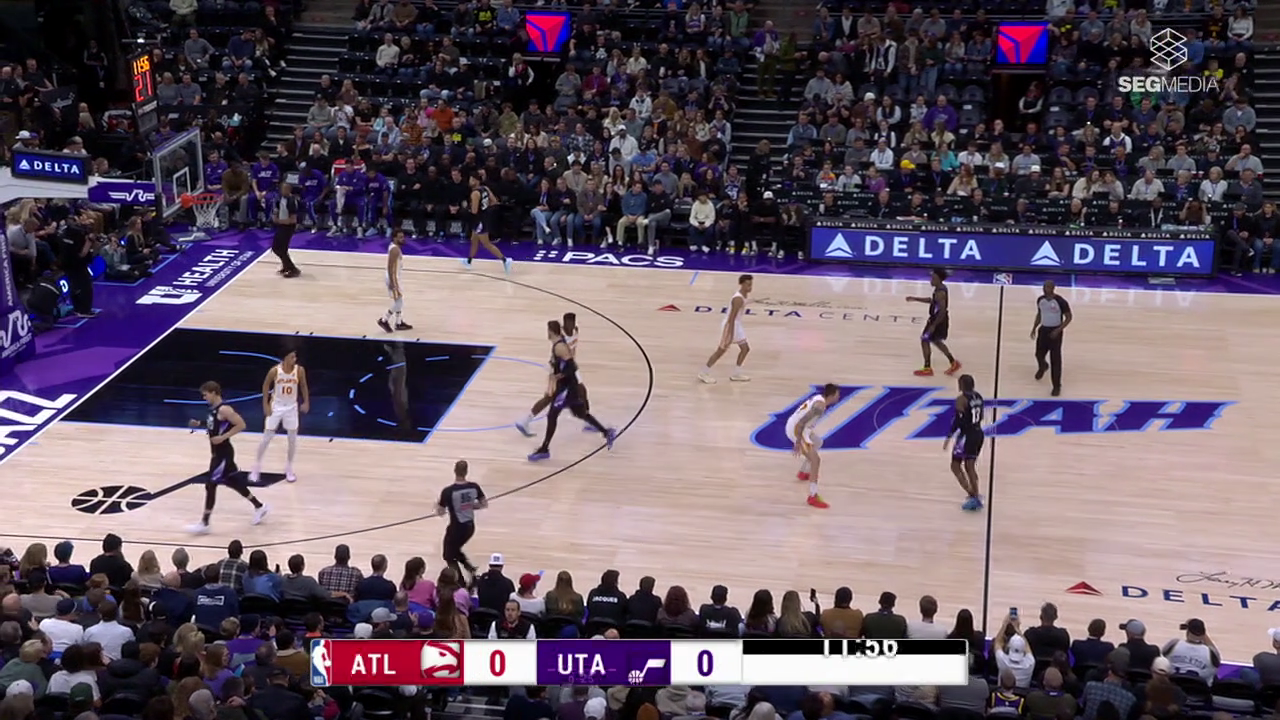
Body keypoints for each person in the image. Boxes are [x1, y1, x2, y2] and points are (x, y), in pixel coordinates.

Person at [186, 381, 270, 534]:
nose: (204, 398)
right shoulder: (213, 410)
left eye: (205, 395)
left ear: (213, 392)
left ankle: (205, 523)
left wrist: (223, 437)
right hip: (218, 453)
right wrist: (199, 423)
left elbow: (241, 424)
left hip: (223, 454)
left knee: (211, 484)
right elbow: (213, 425)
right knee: (234, 483)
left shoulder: (224, 409)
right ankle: (259, 506)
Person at [527, 320, 615, 461]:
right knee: (580, 413)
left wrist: (559, 376)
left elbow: (572, 366)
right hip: (568, 387)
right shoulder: (557, 345)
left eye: (548, 330)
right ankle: (606, 432)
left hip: (567, 388)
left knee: (552, 416)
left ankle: (544, 449)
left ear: (551, 331)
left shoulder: (559, 347)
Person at [516, 312, 592, 437]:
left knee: (582, 391)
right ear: (564, 324)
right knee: (549, 398)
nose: (570, 326)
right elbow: (556, 354)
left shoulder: (576, 330)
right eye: (567, 323)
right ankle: (525, 421)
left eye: (572, 323)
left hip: (570, 368)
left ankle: (587, 421)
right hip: (559, 369)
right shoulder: (560, 337)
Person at [250, 350, 309, 483]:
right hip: (276, 406)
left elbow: (304, 386)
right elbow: (265, 386)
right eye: (292, 357)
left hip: (291, 407)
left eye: (295, 357)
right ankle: (256, 467)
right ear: (285, 357)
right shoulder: (275, 371)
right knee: (266, 438)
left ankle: (289, 468)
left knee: (292, 439)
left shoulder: (299, 370)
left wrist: (306, 402)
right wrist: (265, 404)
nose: (295, 359)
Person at [786, 383, 840, 509]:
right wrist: (798, 442)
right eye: (837, 395)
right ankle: (812, 496)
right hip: (797, 429)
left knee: (818, 442)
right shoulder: (819, 407)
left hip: (800, 427)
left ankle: (804, 472)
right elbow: (801, 423)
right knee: (815, 460)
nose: (839, 397)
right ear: (831, 396)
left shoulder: (820, 399)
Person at [433, 460, 487, 585]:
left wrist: (436, 505)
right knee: (454, 550)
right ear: (466, 471)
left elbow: (441, 512)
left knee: (448, 555)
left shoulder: (448, 491)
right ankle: (470, 569)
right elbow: (483, 504)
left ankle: (460, 582)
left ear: (454, 471)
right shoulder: (474, 487)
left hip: (456, 528)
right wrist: (468, 506)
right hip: (470, 527)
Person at [699, 274, 753, 384]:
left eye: (751, 284)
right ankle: (704, 372)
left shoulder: (743, 296)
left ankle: (736, 373)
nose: (750, 287)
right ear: (742, 284)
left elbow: (742, 304)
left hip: (737, 325)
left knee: (745, 349)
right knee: (721, 350)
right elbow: (731, 318)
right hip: (730, 325)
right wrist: (730, 333)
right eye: (748, 285)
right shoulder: (738, 299)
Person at [907, 268, 960, 376]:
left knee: (925, 339)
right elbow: (932, 301)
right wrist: (915, 298)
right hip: (938, 320)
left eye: (933, 278)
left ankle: (927, 368)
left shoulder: (940, 292)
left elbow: (942, 310)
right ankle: (953, 362)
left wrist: (933, 326)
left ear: (939, 279)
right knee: (936, 341)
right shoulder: (939, 289)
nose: (931, 280)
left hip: (938, 320)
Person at [943, 374, 985, 511]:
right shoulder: (978, 397)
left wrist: (949, 436)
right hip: (978, 433)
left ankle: (973, 495)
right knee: (970, 465)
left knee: (956, 465)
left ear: (961, 385)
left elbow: (958, 420)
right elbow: (981, 415)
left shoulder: (961, 400)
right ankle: (975, 495)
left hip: (966, 435)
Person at [463, 173, 513, 274]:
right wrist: (484, 207)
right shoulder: (485, 188)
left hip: (479, 220)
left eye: (471, 180)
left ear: (476, 181)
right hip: (484, 217)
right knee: (474, 240)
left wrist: (466, 207)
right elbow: (494, 201)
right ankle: (469, 261)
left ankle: (505, 260)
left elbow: (474, 211)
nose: (470, 182)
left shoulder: (475, 193)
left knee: (486, 244)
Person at [1031, 280, 1071, 397]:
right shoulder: (1040, 300)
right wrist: (1034, 327)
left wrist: (1058, 330)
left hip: (1055, 332)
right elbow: (1039, 314)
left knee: (1055, 360)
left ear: (1053, 288)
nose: (1045, 289)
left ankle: (1056, 386)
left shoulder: (1061, 301)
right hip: (1043, 330)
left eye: (1047, 287)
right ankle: (1043, 366)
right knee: (1038, 354)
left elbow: (1069, 317)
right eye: (1044, 287)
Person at [378, 229, 413, 332]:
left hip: (395, 277)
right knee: (399, 302)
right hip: (393, 277)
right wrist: (392, 282)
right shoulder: (395, 250)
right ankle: (384, 319)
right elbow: (390, 266)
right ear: (394, 238)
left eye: (403, 237)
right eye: (400, 237)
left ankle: (398, 322)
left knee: (398, 300)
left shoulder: (395, 247)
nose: (403, 239)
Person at [270, 182, 301, 278]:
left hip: (288, 227)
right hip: (281, 226)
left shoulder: (292, 201)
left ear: (289, 190)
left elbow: (293, 220)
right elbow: (276, 210)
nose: (283, 191)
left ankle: (293, 269)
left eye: (285, 189)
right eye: (282, 189)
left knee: (280, 248)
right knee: (277, 248)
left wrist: (279, 221)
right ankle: (286, 266)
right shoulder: (279, 198)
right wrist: (275, 215)